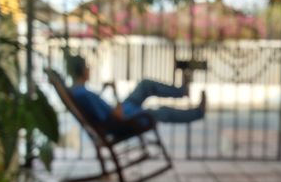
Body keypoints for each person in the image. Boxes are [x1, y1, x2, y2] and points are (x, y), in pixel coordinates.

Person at [68, 55, 206, 131]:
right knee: (159, 112)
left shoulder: (78, 91)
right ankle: (198, 112)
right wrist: (115, 92)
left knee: (145, 85)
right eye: (86, 67)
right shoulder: (83, 94)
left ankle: (182, 91)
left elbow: (100, 108)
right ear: (81, 70)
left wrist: (106, 90)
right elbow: (117, 115)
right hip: (124, 120)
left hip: (124, 110)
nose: (89, 70)